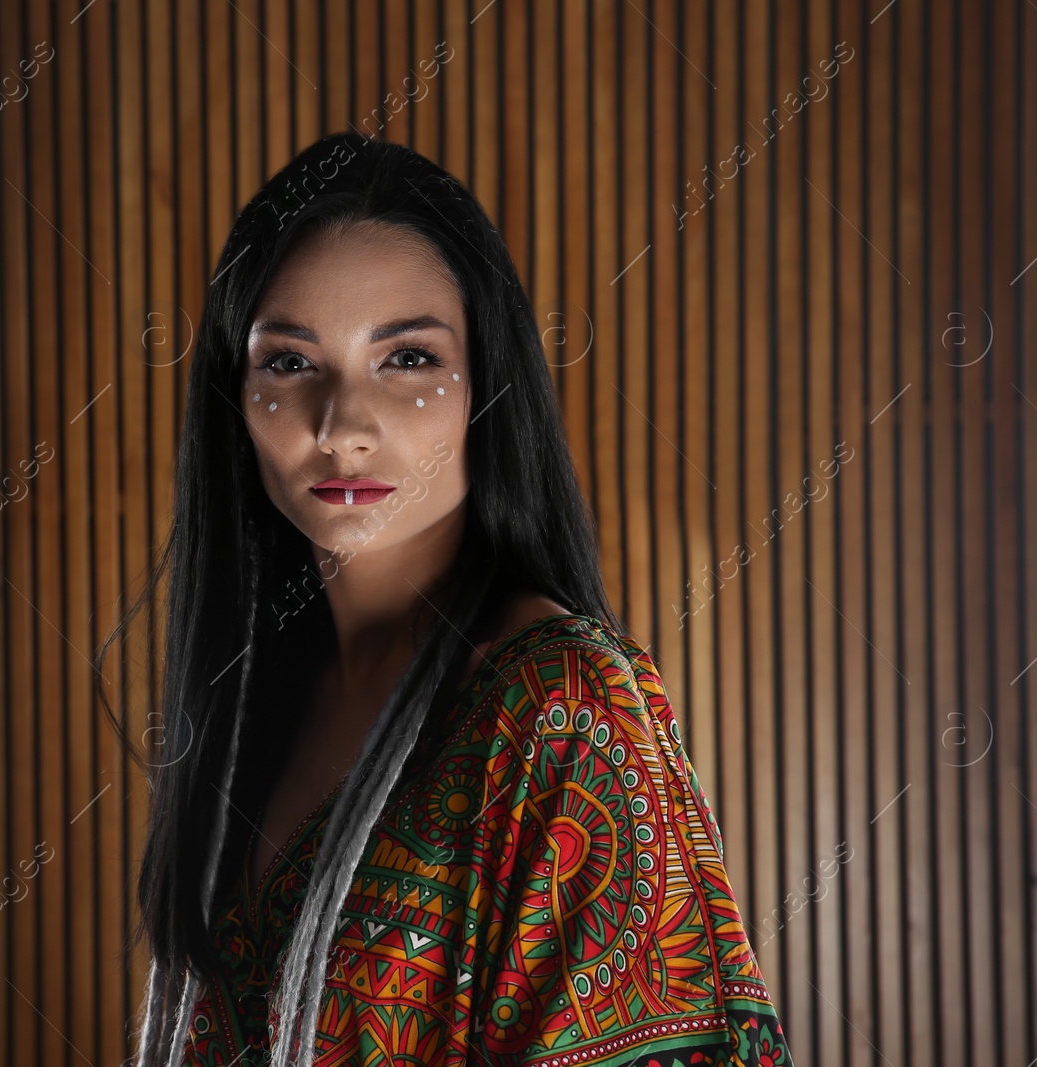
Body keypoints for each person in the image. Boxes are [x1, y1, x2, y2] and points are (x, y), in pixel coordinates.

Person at [103, 131, 793, 1067]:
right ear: (235, 399)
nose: (343, 427)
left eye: (409, 360)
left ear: (487, 386)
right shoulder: (259, 698)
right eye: (290, 363)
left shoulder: (562, 709)